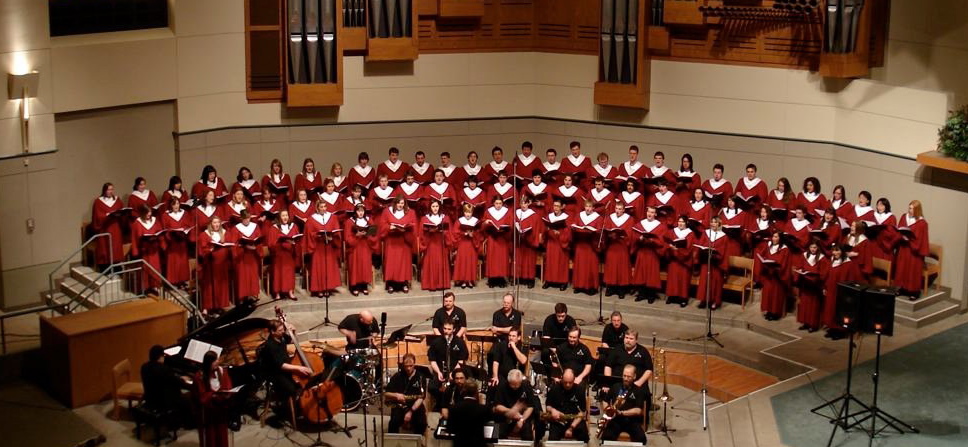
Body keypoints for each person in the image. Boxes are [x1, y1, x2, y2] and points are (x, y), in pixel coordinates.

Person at [258, 320, 313, 414]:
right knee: (293, 389)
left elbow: (293, 341)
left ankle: (300, 404)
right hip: (275, 373)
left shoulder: (281, 337)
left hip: (286, 368)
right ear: (272, 332)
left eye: (283, 329)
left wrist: (294, 332)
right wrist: (299, 368)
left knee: (305, 382)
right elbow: (281, 365)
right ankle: (291, 408)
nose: (283, 331)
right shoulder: (270, 345)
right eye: (280, 330)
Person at [141, 345, 190, 428]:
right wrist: (183, 379)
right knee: (187, 400)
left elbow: (169, 378)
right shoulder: (163, 369)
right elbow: (176, 382)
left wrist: (177, 377)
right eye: (163, 356)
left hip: (149, 398)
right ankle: (188, 424)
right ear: (160, 357)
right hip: (162, 402)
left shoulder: (144, 367)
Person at [194, 351, 235, 447]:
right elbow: (201, 396)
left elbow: (228, 386)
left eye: (217, 359)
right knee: (210, 437)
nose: (218, 362)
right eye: (215, 360)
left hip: (220, 409)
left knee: (221, 434)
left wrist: (227, 394)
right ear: (208, 363)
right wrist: (213, 395)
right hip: (208, 412)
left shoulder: (222, 371)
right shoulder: (199, 376)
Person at [599, 365, 647, 443]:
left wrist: (621, 413)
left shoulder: (639, 390)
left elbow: (638, 410)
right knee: (606, 437)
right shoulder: (615, 387)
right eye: (624, 376)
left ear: (634, 376)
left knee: (641, 439)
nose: (626, 379)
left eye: (629, 377)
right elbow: (605, 401)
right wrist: (607, 409)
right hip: (616, 420)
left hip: (632, 421)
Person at [490, 369, 542, 440]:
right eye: (512, 384)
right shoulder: (502, 386)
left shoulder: (526, 386)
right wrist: (511, 412)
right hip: (504, 418)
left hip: (522, 418)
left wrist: (522, 419)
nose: (515, 386)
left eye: (517, 384)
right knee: (497, 435)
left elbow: (530, 406)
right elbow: (497, 406)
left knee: (527, 436)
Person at [824, 244, 862, 340]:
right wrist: (825, 287)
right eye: (833, 250)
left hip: (841, 292)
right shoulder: (832, 260)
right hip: (831, 289)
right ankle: (832, 328)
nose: (835, 253)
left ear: (843, 252)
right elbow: (828, 275)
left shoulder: (848, 264)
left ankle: (840, 331)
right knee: (830, 309)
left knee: (839, 310)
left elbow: (850, 279)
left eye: (837, 250)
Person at [304, 201, 342, 298]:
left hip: (329, 247)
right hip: (318, 247)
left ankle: (328, 288)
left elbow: (336, 231)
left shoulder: (332, 217)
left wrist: (332, 237)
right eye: (321, 207)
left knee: (328, 267)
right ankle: (319, 289)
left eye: (325, 206)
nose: (324, 208)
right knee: (319, 267)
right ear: (317, 208)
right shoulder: (311, 219)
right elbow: (309, 234)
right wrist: (317, 236)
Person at [893, 200, 930, 299]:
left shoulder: (922, 223)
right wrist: (901, 236)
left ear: (917, 210)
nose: (910, 210)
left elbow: (922, 240)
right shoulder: (904, 217)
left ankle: (914, 292)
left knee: (912, 271)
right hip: (904, 248)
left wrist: (910, 240)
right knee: (902, 268)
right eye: (909, 208)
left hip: (914, 252)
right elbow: (899, 229)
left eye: (912, 209)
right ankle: (903, 288)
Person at [380, 197, 417, 293]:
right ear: (395, 203)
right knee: (392, 263)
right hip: (392, 241)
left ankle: (404, 283)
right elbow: (382, 225)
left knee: (404, 263)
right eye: (399, 203)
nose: (400, 205)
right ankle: (390, 284)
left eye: (402, 203)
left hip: (404, 241)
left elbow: (414, 226)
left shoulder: (410, 212)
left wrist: (406, 229)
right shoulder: (387, 212)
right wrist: (389, 227)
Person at [385, 353, 428, 434]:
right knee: (393, 422)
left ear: (414, 364)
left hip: (415, 405)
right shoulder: (397, 376)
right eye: (406, 366)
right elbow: (386, 393)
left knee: (421, 423)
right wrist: (396, 395)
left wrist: (410, 412)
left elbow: (421, 397)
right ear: (403, 365)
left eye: (410, 366)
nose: (408, 368)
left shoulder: (421, 377)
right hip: (399, 405)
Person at [632, 206, 667, 303]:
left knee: (651, 274)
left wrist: (652, 240)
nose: (650, 214)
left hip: (652, 253)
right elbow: (634, 236)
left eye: (652, 212)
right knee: (641, 273)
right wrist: (640, 238)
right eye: (648, 212)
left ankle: (651, 295)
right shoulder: (640, 224)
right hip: (642, 251)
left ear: (655, 214)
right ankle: (641, 293)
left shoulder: (660, 226)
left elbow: (662, 241)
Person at [198, 217, 232, 315]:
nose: (216, 224)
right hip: (210, 264)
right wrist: (210, 250)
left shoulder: (225, 233)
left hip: (222, 264)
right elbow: (202, 250)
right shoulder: (204, 234)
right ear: (210, 224)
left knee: (221, 286)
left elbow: (229, 245)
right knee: (209, 286)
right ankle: (207, 308)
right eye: (214, 222)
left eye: (218, 222)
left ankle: (219, 305)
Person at [602, 331, 654, 395]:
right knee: (604, 392)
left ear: (636, 340)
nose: (628, 340)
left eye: (631, 338)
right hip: (618, 383)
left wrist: (639, 383)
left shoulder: (643, 351)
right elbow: (608, 366)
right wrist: (608, 382)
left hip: (637, 383)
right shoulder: (617, 349)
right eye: (626, 338)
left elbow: (649, 369)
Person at [545, 369, 590, 441]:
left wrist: (571, 428)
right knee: (552, 438)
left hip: (575, 420)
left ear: (574, 379)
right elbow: (548, 406)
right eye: (565, 382)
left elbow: (582, 412)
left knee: (584, 437)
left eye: (570, 382)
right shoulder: (554, 389)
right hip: (559, 420)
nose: (567, 385)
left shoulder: (580, 390)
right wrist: (553, 410)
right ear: (561, 379)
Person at [795, 241, 830, 332]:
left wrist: (816, 276)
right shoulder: (804, 255)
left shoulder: (822, 258)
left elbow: (824, 272)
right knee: (805, 304)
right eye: (811, 247)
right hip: (805, 283)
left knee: (813, 306)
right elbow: (799, 266)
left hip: (815, 285)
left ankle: (813, 325)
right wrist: (800, 271)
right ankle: (805, 322)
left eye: (815, 247)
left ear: (818, 248)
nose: (813, 249)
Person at [228, 209, 262, 301]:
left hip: (252, 256)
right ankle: (243, 297)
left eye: (248, 218)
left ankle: (252, 295)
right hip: (242, 257)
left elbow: (259, 239)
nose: (247, 220)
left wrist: (256, 246)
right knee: (243, 277)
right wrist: (243, 246)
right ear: (241, 218)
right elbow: (233, 244)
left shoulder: (255, 227)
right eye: (245, 219)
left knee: (253, 276)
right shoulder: (236, 229)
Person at [428, 320, 468, 398]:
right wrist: (438, 372)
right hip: (440, 373)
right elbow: (432, 360)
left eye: (449, 329)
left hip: (455, 373)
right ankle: (440, 403)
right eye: (445, 328)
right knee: (431, 387)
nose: (446, 331)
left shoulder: (460, 342)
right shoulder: (436, 342)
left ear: (454, 330)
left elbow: (461, 361)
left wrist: (452, 373)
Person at [757, 231, 791, 321]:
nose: (774, 239)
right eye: (773, 237)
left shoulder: (785, 249)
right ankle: (768, 311)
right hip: (769, 275)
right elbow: (762, 255)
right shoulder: (769, 246)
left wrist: (777, 269)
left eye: (776, 237)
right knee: (768, 293)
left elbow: (784, 264)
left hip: (778, 277)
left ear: (780, 238)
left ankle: (775, 313)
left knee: (776, 295)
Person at [696, 217, 729, 310]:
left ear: (719, 224)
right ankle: (703, 300)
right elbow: (700, 244)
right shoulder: (705, 233)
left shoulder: (724, 236)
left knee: (715, 283)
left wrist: (716, 255)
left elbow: (724, 251)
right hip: (706, 261)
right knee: (704, 281)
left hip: (717, 264)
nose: (713, 224)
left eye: (715, 222)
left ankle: (715, 301)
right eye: (712, 222)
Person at [267, 209, 301, 300]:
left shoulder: (293, 227)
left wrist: (294, 243)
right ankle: (277, 293)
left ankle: (290, 292)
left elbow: (297, 240)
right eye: (283, 216)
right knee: (278, 273)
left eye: (286, 215)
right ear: (279, 217)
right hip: (279, 255)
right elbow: (270, 244)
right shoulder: (274, 228)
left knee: (289, 273)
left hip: (289, 255)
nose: (285, 217)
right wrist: (279, 243)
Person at [603, 201, 634, 299]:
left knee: (621, 268)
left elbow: (630, 234)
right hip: (612, 246)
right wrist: (609, 235)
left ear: (624, 210)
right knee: (611, 267)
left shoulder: (629, 219)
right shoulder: (609, 218)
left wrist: (620, 236)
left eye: (620, 209)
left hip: (622, 247)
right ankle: (611, 287)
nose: (617, 211)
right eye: (616, 208)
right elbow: (606, 230)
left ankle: (621, 289)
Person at [570, 199, 602, 295]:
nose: (587, 209)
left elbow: (600, 232)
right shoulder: (579, 215)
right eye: (586, 206)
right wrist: (574, 228)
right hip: (580, 244)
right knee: (580, 266)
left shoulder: (598, 218)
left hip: (591, 245)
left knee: (590, 267)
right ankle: (579, 286)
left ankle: (590, 287)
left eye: (590, 207)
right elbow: (574, 225)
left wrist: (594, 232)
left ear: (593, 208)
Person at [130, 204, 164, 293]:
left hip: (154, 250)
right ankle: (145, 288)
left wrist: (159, 239)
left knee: (155, 268)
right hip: (144, 252)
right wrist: (136, 251)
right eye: (147, 214)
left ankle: (155, 286)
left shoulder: (155, 221)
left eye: (150, 214)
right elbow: (134, 238)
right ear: (142, 213)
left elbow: (160, 232)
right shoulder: (137, 223)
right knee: (146, 269)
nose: (149, 216)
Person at [419, 200, 452, 291]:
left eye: (437, 206)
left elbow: (449, 232)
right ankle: (431, 284)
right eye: (433, 206)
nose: (435, 208)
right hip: (430, 244)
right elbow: (421, 233)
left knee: (441, 263)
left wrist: (443, 232)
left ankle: (441, 284)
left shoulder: (445, 218)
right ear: (430, 207)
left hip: (441, 243)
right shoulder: (424, 219)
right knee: (431, 262)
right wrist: (430, 232)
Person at [91, 183, 125, 269]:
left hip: (115, 227)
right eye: (108, 190)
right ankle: (105, 268)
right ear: (104, 190)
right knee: (105, 247)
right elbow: (97, 216)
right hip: (105, 228)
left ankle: (116, 266)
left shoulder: (117, 200)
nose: (110, 191)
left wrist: (120, 214)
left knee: (116, 247)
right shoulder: (98, 201)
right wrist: (106, 215)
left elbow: (122, 210)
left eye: (112, 189)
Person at [344, 205, 376, 296]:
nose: (360, 213)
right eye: (358, 211)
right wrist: (356, 236)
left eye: (362, 211)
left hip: (365, 246)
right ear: (355, 212)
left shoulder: (369, 220)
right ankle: (354, 286)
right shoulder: (350, 222)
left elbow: (374, 235)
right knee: (355, 266)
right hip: (355, 248)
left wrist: (367, 234)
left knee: (365, 266)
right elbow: (347, 237)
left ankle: (364, 286)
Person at [449, 381, 492, 447]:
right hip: (478, 444)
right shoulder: (484, 409)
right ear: (476, 392)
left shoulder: (454, 408)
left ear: (463, 391)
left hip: (460, 444)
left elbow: (451, 429)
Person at [483, 196, 513, 288]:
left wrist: (505, 229)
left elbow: (510, 225)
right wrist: (486, 222)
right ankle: (492, 279)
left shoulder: (507, 212)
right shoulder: (488, 211)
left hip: (502, 239)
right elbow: (483, 224)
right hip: (492, 238)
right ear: (493, 203)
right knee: (492, 258)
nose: (498, 205)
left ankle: (501, 279)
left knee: (501, 259)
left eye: (500, 203)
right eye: (496, 203)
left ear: (502, 203)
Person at [665, 216, 695, 307]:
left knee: (683, 280)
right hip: (673, 260)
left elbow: (689, 249)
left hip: (683, 262)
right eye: (679, 221)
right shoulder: (672, 231)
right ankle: (672, 296)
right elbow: (666, 242)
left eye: (682, 222)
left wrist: (677, 250)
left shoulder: (690, 234)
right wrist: (670, 247)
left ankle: (683, 299)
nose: (680, 223)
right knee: (673, 279)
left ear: (686, 223)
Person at [542, 199, 572, 290]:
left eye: (558, 206)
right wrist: (546, 229)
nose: (556, 208)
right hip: (551, 243)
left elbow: (568, 232)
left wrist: (560, 233)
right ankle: (549, 280)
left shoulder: (566, 217)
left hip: (560, 244)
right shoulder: (549, 216)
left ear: (562, 207)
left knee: (561, 263)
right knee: (550, 262)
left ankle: (562, 282)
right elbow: (544, 229)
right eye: (554, 205)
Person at [162, 198, 191, 287]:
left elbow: (188, 225)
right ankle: (174, 281)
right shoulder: (165, 215)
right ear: (170, 205)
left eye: (177, 204)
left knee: (182, 261)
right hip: (173, 242)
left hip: (182, 241)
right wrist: (171, 235)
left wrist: (184, 233)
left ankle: (182, 280)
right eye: (174, 204)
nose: (176, 206)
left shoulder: (184, 213)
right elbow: (164, 228)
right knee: (174, 262)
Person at [514, 196, 542, 287]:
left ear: (528, 203)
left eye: (525, 203)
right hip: (519, 242)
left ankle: (530, 280)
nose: (523, 205)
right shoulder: (516, 213)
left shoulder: (534, 215)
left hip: (529, 243)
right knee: (519, 260)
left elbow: (536, 229)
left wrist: (528, 236)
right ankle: (520, 278)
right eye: (521, 203)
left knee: (529, 261)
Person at [452, 203, 482, 288]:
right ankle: (463, 280)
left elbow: (479, 232)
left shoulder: (476, 221)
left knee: (471, 262)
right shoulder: (459, 221)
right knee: (463, 262)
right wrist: (464, 233)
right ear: (463, 212)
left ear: (472, 212)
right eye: (466, 212)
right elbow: (455, 232)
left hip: (472, 244)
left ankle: (470, 280)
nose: (468, 214)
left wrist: (473, 234)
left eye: (470, 212)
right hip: (463, 244)